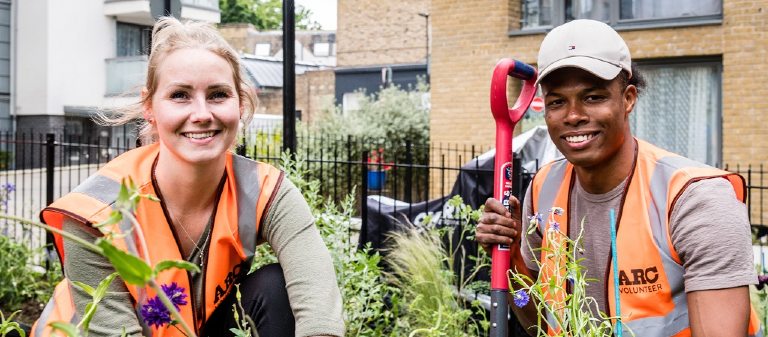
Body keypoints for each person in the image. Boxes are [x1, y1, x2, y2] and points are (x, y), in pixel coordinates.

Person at [31, 17, 345, 337]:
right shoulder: (95, 213)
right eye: (180, 95)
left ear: (241, 102)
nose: (201, 114)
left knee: (274, 288)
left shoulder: (264, 191)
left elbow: (320, 312)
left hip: (195, 327)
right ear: (149, 106)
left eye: (218, 94)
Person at [476, 19, 761, 337]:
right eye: (557, 101)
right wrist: (512, 257)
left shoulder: (696, 199)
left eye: (593, 97)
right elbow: (537, 324)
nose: (573, 115)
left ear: (628, 99)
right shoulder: (543, 190)